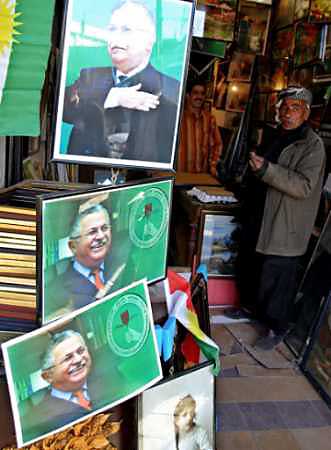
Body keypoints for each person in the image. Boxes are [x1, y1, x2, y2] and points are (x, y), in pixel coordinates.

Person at [245, 86, 326, 350]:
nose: (288, 113)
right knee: (260, 270)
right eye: (285, 107)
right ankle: (257, 314)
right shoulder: (277, 135)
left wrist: (267, 169)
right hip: (264, 216)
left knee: (279, 278)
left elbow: (304, 186)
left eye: (295, 108)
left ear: (306, 114)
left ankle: (276, 327)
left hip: (287, 225)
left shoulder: (312, 146)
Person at [63, 0, 179, 163]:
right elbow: (62, 111)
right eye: (112, 29)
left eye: (126, 30)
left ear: (149, 39)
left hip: (139, 181)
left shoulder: (171, 88)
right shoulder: (89, 76)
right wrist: (112, 97)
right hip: (83, 176)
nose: (115, 37)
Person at [45, 203, 129, 321]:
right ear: (73, 246)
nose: (101, 236)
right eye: (92, 232)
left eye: (104, 228)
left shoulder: (124, 264)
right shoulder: (53, 293)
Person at [20, 330, 104, 441]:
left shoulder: (107, 379)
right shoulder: (36, 420)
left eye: (81, 351)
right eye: (68, 358)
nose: (78, 359)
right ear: (48, 376)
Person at [177, 81, 223, 176]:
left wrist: (213, 165)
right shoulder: (178, 118)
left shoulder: (210, 119)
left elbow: (217, 145)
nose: (199, 97)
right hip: (180, 174)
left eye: (202, 93)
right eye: (195, 93)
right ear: (187, 95)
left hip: (202, 176)